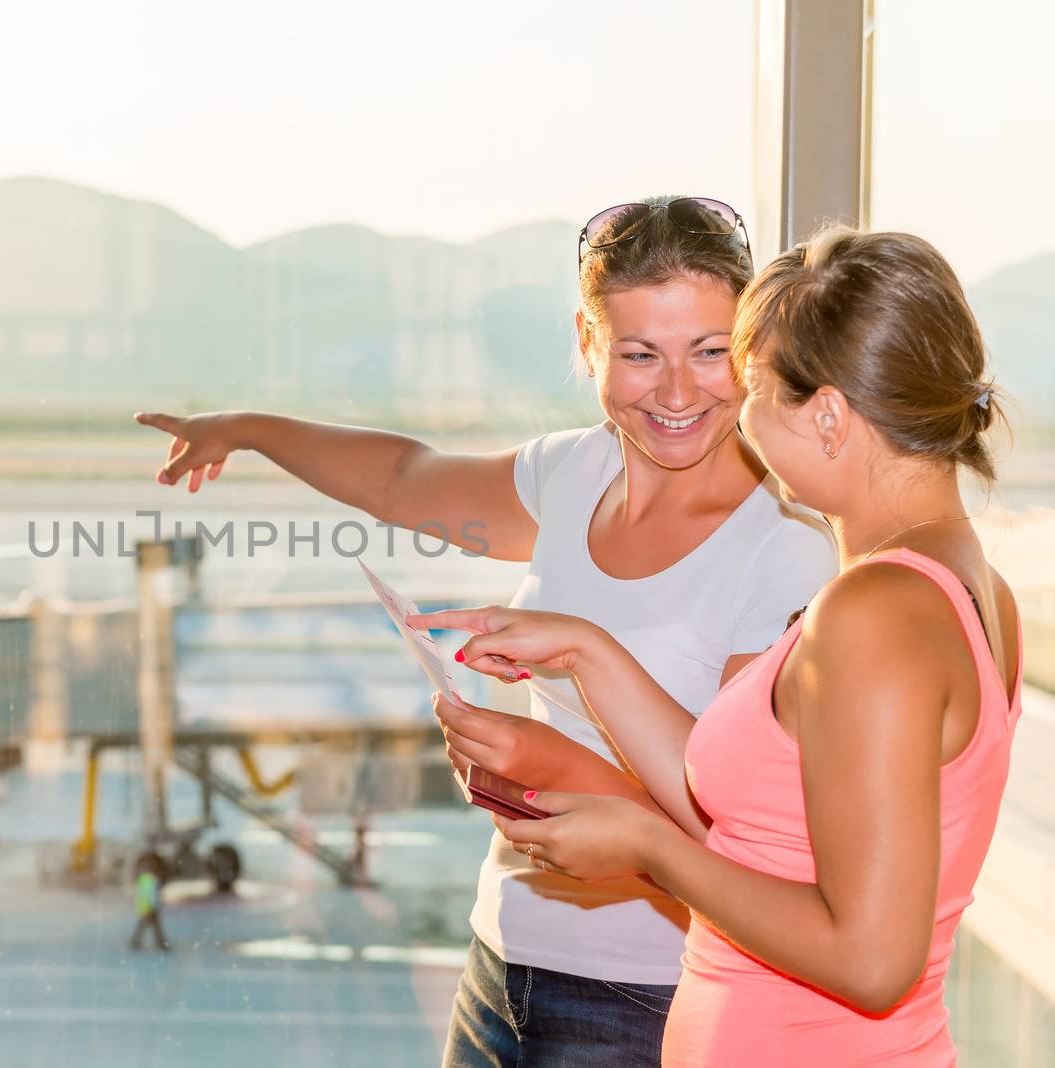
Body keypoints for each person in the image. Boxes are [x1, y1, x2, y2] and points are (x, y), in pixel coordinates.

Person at [135, 196, 838, 1066]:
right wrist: (246, 428)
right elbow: (402, 479)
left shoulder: (785, 544)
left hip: (648, 995)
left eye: (707, 352)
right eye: (639, 354)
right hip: (502, 959)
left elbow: (732, 831)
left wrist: (543, 766)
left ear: (747, 352)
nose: (678, 391)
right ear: (588, 346)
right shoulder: (574, 471)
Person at [441, 228, 1019, 1065]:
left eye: (751, 387)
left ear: (826, 416)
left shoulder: (876, 610)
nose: (737, 416)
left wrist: (649, 851)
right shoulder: (965, 584)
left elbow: (871, 961)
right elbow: (775, 829)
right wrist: (586, 649)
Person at [129, 854, 170, 952]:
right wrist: (153, 906)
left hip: (146, 907)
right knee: (155, 927)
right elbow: (151, 895)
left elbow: (140, 895)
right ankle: (161, 944)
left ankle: (136, 942)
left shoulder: (143, 879)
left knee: (144, 926)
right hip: (150, 907)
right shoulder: (151, 880)